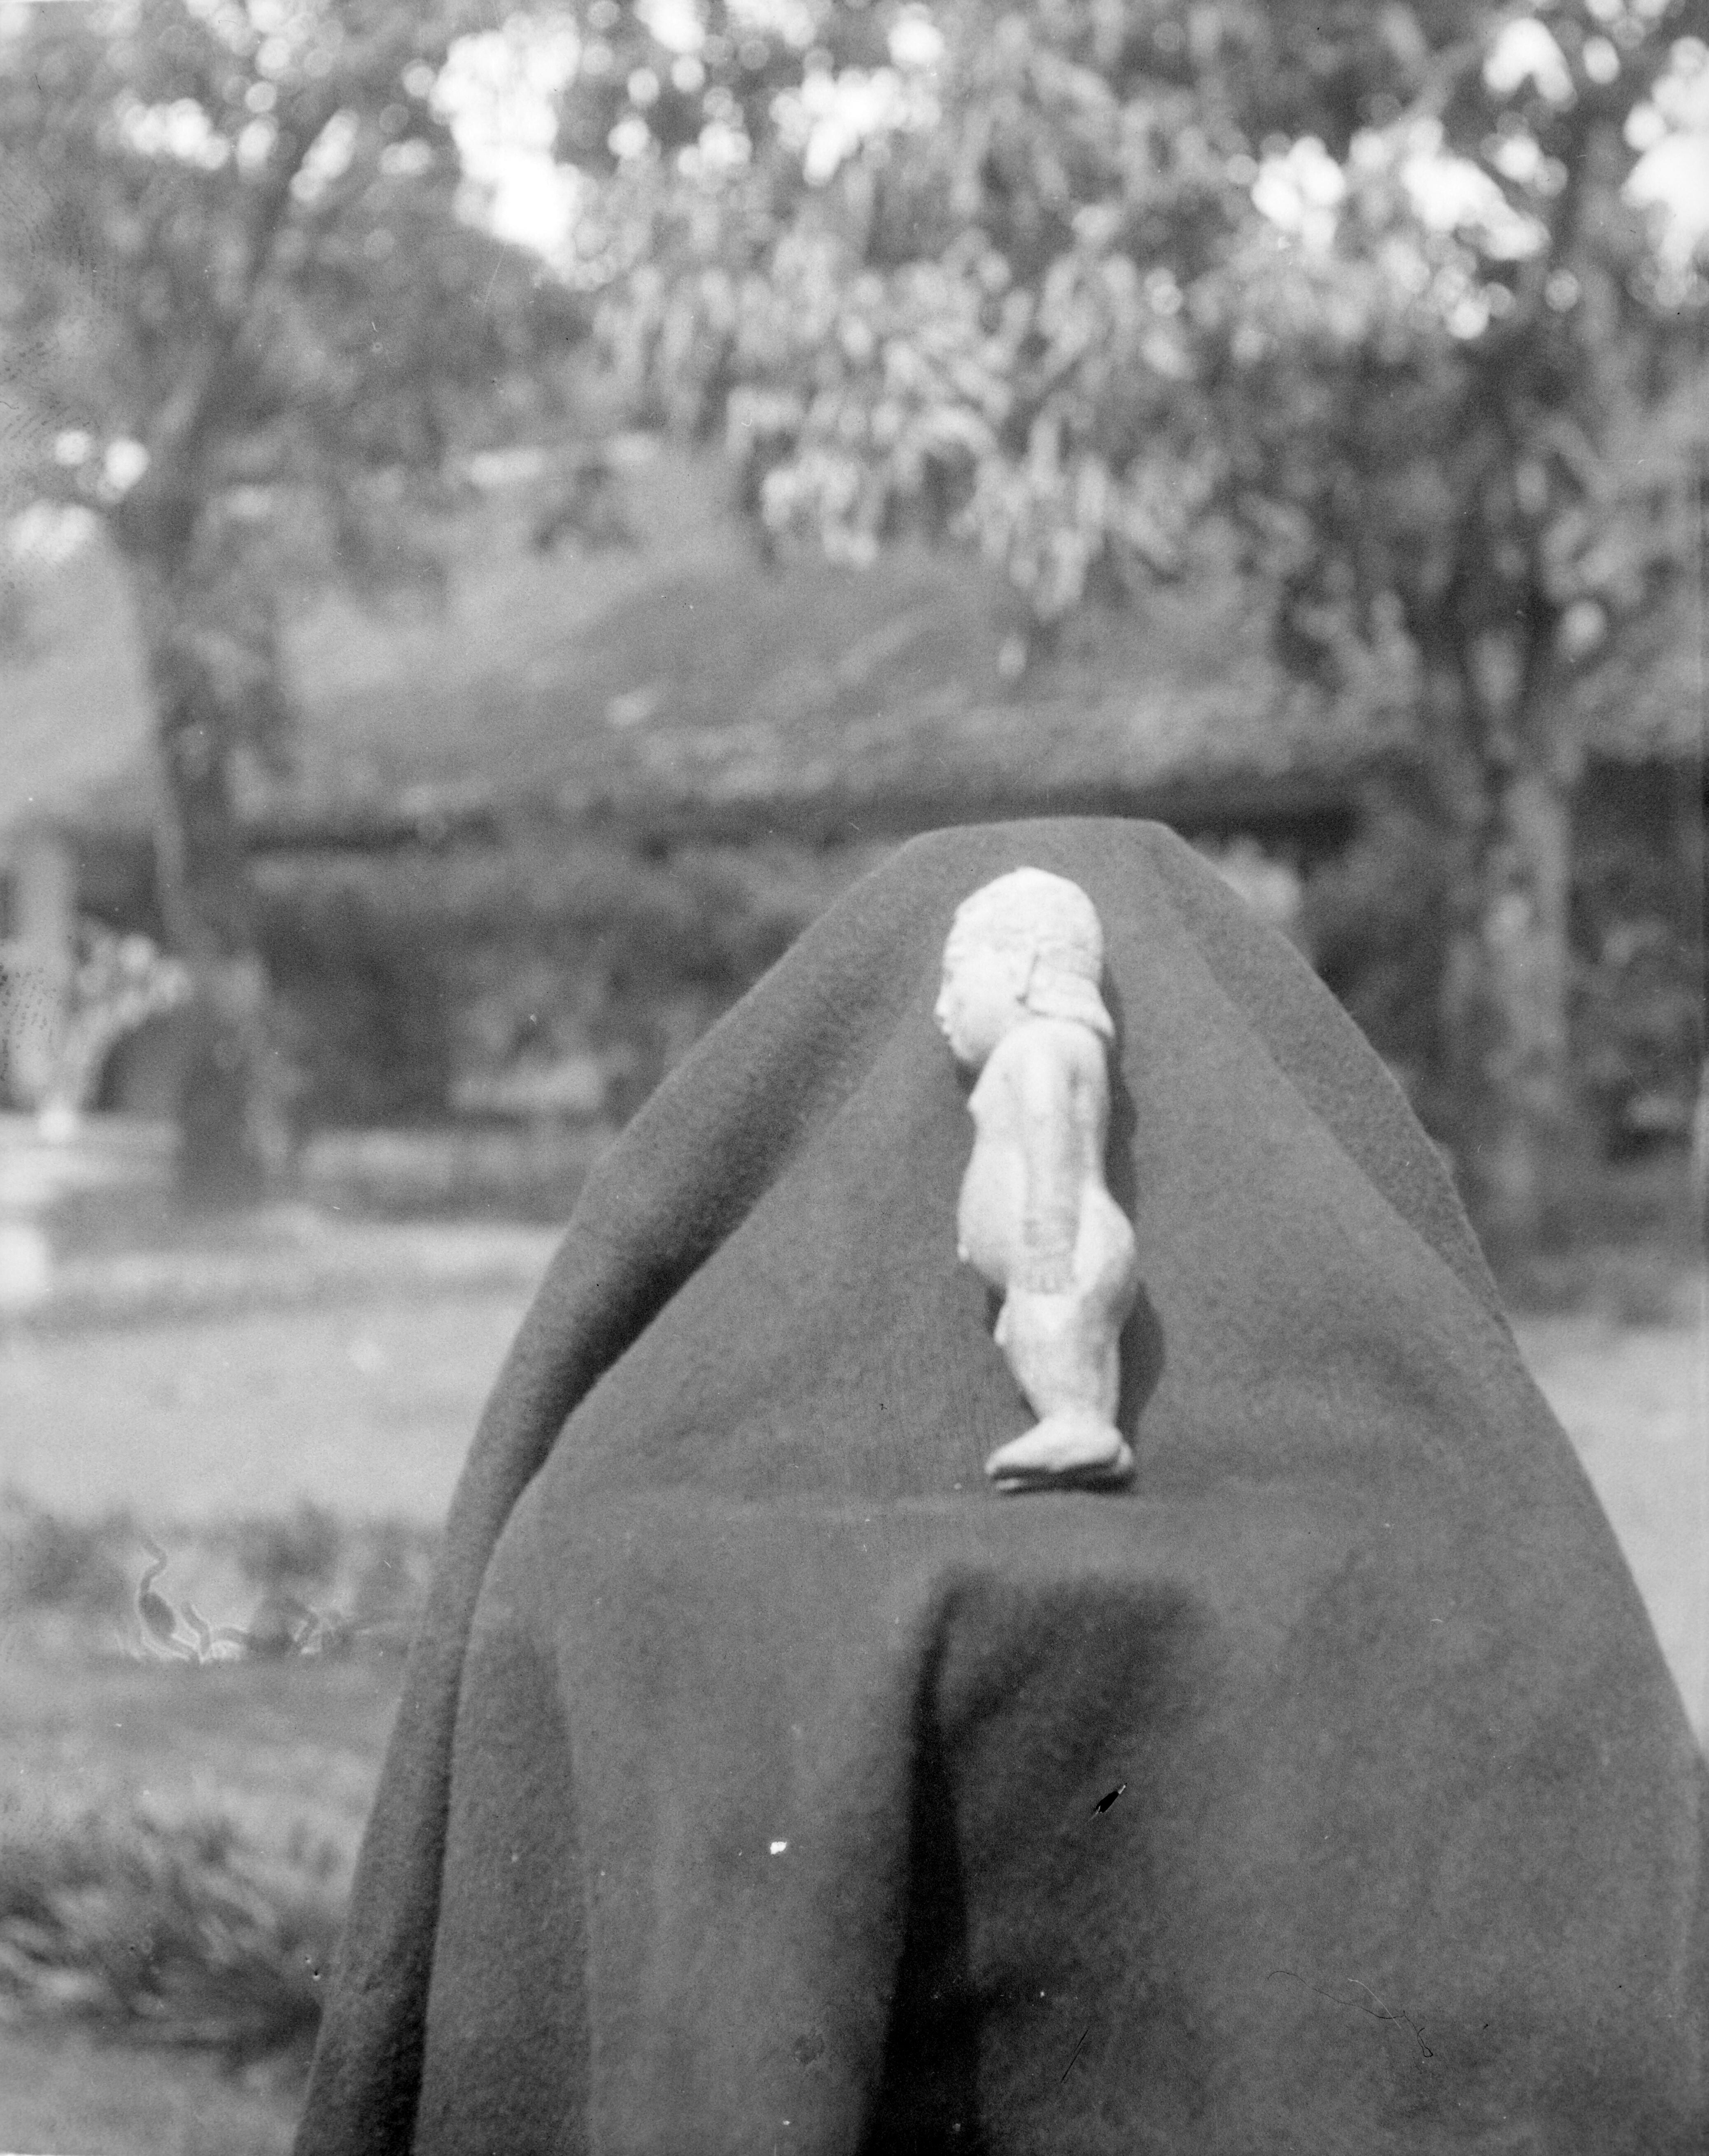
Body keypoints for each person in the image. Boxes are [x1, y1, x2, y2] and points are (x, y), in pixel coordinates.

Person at [935, 867, 1139, 1489]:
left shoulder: (1040, 1047)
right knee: (1064, 1338)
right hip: (1067, 1252)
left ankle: (1078, 1426)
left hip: (1065, 1246)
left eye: (954, 978)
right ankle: (1086, 1427)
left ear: (1020, 970)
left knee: (1055, 1329)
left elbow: (1050, 1123)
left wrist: (1048, 1228)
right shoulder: (1055, 1045)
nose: (942, 1008)